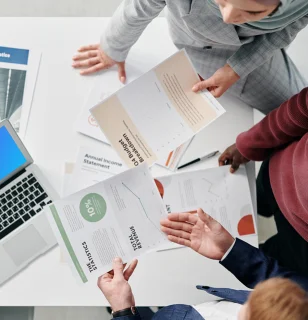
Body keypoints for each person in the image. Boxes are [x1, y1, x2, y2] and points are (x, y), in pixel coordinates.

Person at [72, 0, 308, 114]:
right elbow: (139, 6)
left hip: (258, 45)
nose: (227, 17)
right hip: (202, 47)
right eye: (223, 1)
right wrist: (113, 49)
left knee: (298, 114)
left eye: (253, 11)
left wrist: (236, 68)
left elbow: (289, 27)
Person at [98, 209, 308, 319]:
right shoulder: (299, 304)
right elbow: (276, 277)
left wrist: (122, 310)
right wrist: (229, 250)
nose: (247, 301)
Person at [218, 87, 308, 275]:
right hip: (278, 174)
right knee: (244, 207)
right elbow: (299, 109)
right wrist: (248, 144)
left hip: (301, 244)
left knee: (255, 259)